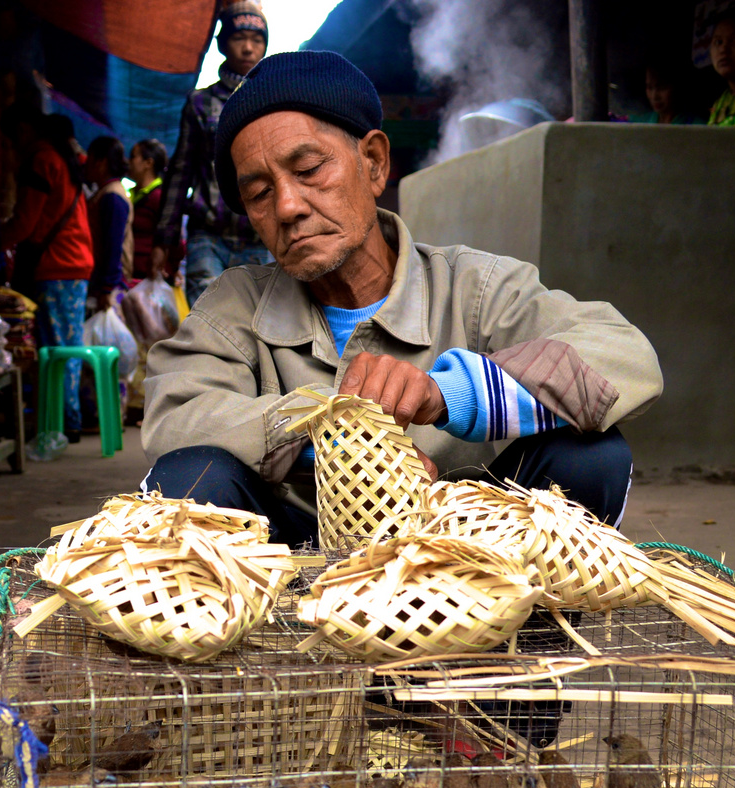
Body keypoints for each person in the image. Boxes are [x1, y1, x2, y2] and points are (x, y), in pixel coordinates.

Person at [141, 51, 661, 550]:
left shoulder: (475, 286)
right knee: (189, 479)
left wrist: (448, 394)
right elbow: (177, 415)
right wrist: (337, 440)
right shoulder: (236, 305)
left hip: (472, 551)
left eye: (309, 169)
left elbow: (624, 356)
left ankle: (513, 619)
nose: (288, 206)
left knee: (590, 456)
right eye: (258, 192)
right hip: (300, 557)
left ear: (372, 162)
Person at [151, 0, 276, 305]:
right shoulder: (199, 103)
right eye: (238, 38)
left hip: (262, 237)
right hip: (208, 237)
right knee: (208, 325)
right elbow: (181, 172)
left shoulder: (275, 103)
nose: (248, 48)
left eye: (257, 40)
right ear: (222, 45)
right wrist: (163, 240)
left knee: (262, 328)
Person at [0, 108, 95, 441]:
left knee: (57, 349)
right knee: (67, 345)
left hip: (58, 265)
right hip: (74, 264)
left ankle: (63, 423)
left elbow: (25, 223)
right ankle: (67, 419)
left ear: (24, 130)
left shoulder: (42, 160)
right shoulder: (62, 159)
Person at [84, 135, 134, 311]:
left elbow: (113, 244)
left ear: (101, 162)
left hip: (110, 287)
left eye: (90, 159)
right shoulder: (108, 192)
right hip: (109, 283)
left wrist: (107, 287)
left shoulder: (112, 196)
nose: (86, 165)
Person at [128, 138, 169, 281]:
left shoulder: (159, 198)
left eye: (133, 156)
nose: (129, 162)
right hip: (130, 274)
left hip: (146, 278)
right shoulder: (133, 194)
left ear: (148, 163)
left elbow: (173, 239)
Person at [631, 61, 700, 124]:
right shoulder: (641, 122)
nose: (654, 96)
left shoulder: (697, 126)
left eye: (662, 88)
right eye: (649, 87)